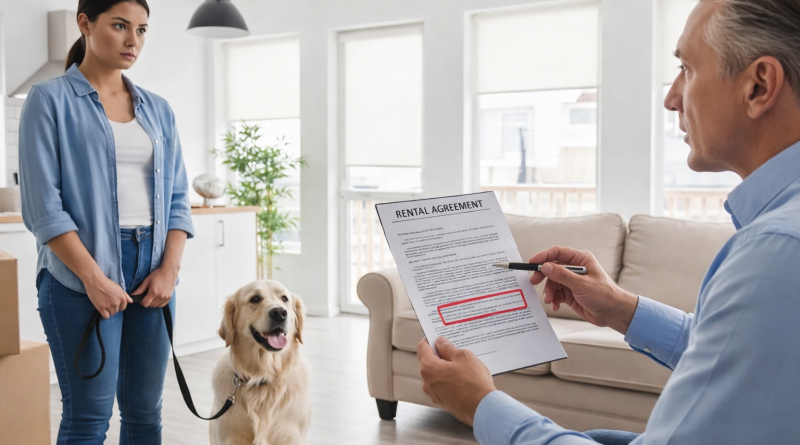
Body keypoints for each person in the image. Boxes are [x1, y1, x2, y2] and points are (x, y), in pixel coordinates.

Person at [417, 0, 800, 444]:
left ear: (759, 86)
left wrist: (480, 403)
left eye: (688, 69)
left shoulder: (776, 251)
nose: (671, 97)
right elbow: (731, 354)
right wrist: (619, 307)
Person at [18, 0, 194, 443]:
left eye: (142, 29)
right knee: (88, 417)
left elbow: (177, 198)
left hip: (153, 271)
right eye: (119, 26)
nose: (133, 39)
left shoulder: (158, 109)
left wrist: (169, 271)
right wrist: (94, 279)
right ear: (85, 23)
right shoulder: (49, 100)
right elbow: (43, 207)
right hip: (79, 276)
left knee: (144, 415)